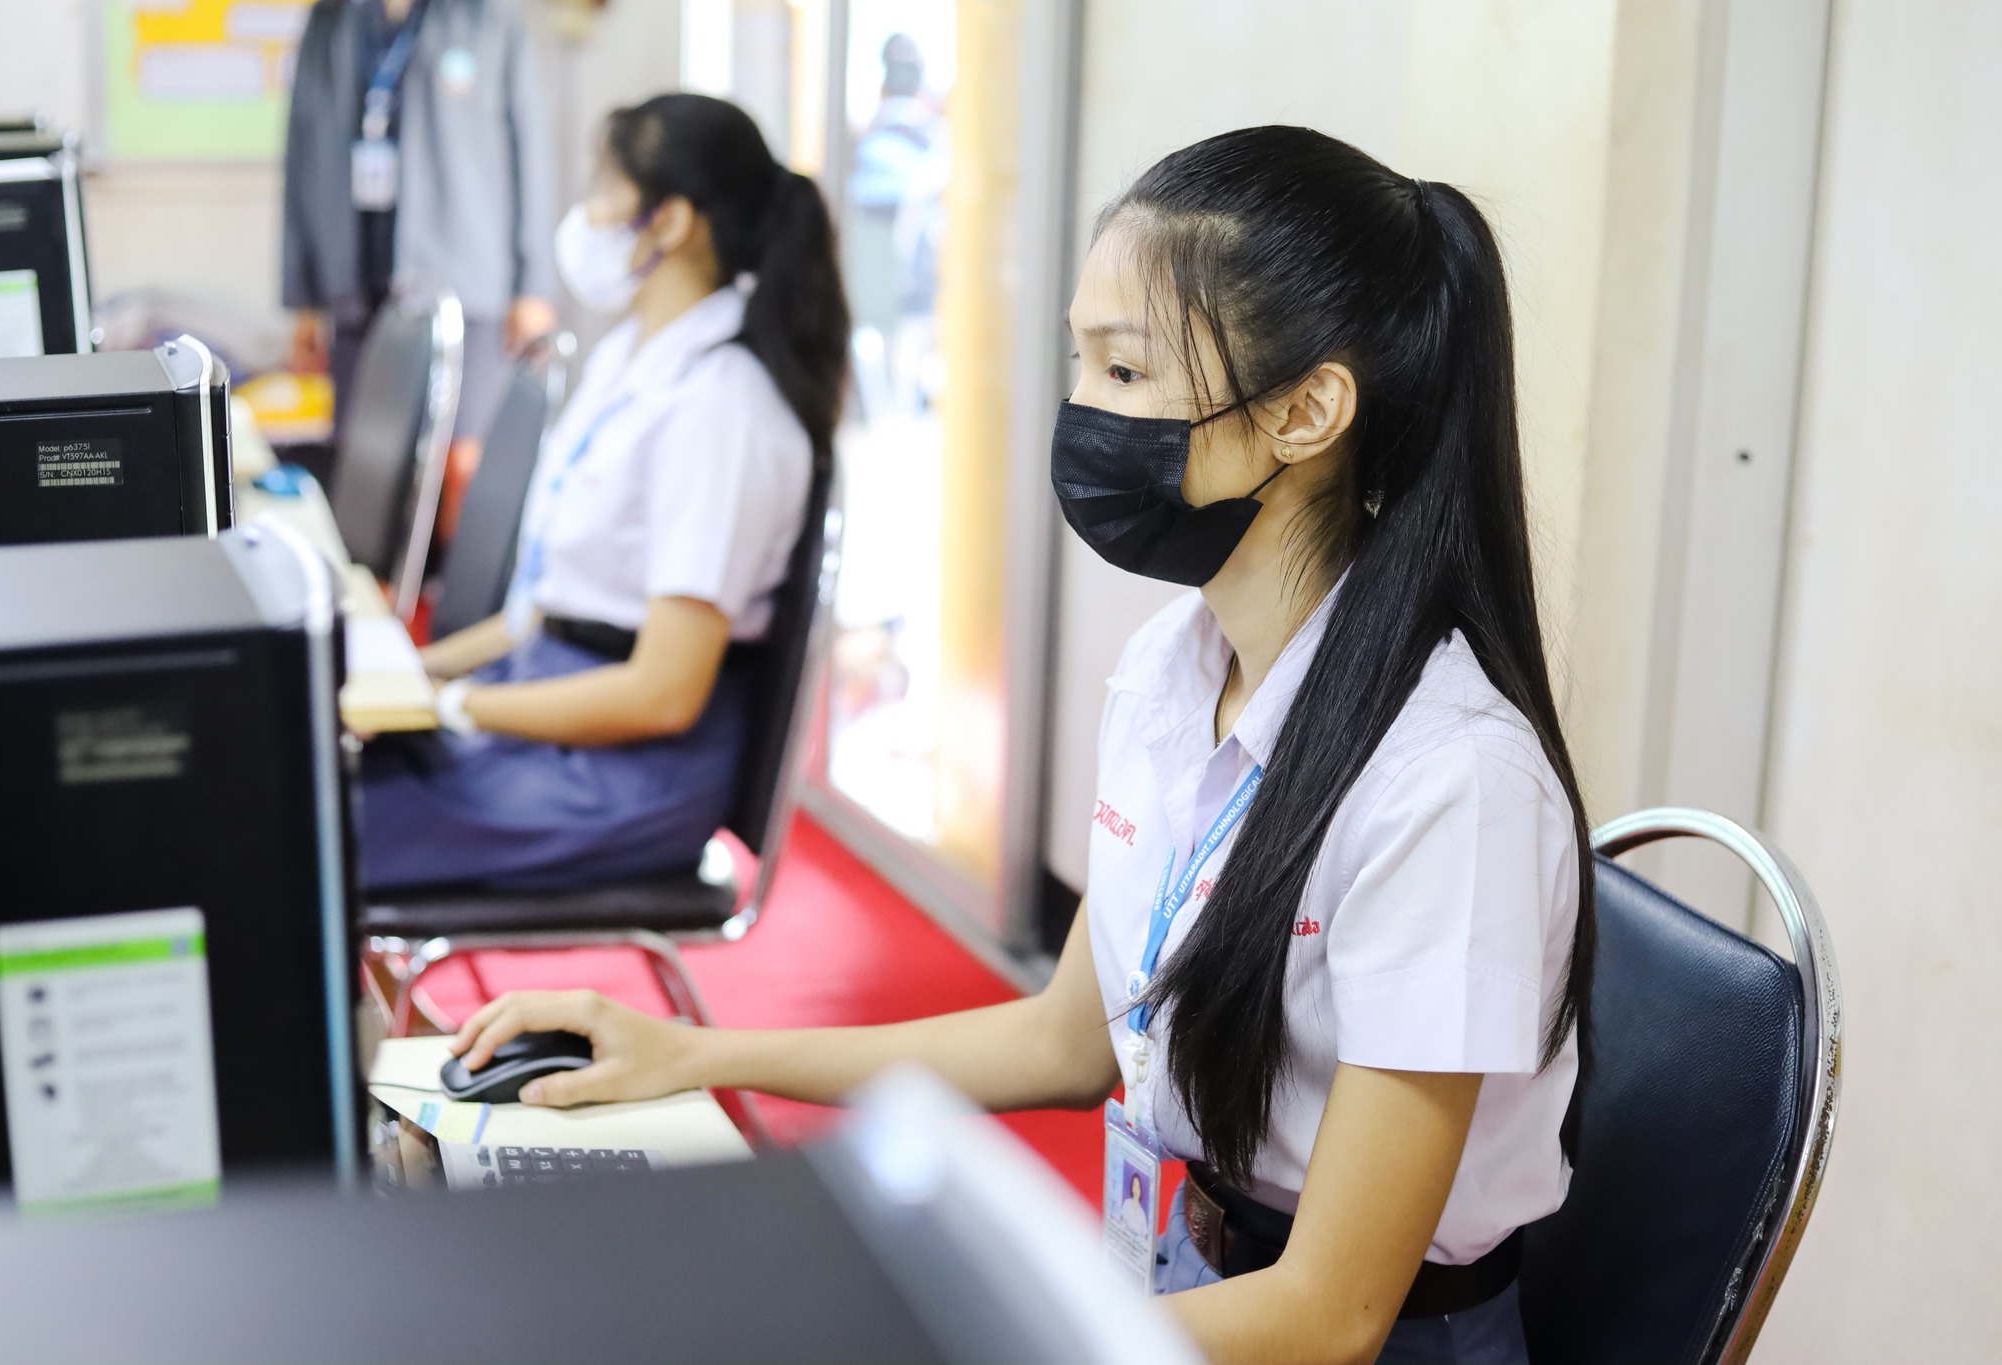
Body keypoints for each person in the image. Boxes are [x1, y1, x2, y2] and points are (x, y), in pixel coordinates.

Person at [449, 124, 1592, 1365]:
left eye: (1126, 370)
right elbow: (1065, 1041)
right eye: (1078, 361)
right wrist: (691, 1053)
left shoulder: (1449, 781)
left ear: (1307, 412)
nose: (1081, 414)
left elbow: (1329, 1313)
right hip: (1175, 1282)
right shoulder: (1174, 667)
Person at [357, 94, 848, 891]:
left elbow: (661, 693)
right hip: (550, 708)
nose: (585, 212)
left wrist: (451, 706)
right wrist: (408, 674)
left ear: (671, 221)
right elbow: (547, 613)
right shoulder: (632, 360)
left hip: (621, 772)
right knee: (309, 779)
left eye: (603, 188)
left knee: (306, 821)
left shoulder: (721, 408)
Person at [282, 0, 557, 445]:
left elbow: (529, 151)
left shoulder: (489, 16)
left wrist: (534, 286)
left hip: (467, 278)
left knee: (462, 454)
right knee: (365, 450)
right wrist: (305, 296)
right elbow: (301, 154)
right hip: (354, 277)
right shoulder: (330, 17)